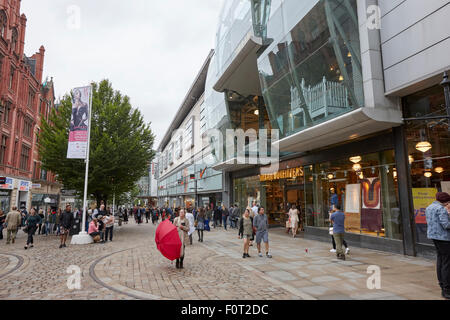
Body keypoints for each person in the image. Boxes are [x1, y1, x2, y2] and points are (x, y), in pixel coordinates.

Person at [425, 192, 450, 300]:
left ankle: (441, 283)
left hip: (434, 237)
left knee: (440, 260)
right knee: (447, 263)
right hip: (444, 238)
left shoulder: (429, 207)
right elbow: (446, 225)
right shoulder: (441, 209)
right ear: (445, 201)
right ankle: (447, 289)